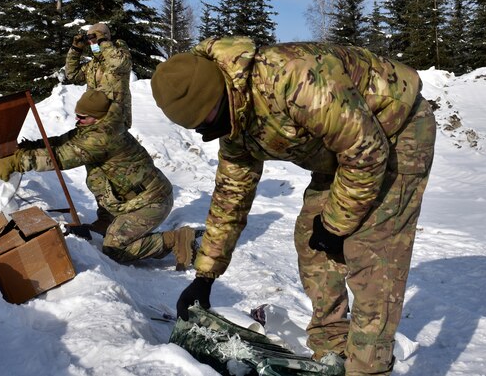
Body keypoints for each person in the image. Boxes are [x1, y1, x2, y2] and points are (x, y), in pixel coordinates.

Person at [150, 36, 436, 376]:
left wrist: (337, 225)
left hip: (396, 131)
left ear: (222, 90)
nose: (208, 129)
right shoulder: (231, 117)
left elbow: (366, 152)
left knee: (371, 253)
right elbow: (231, 195)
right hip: (344, 153)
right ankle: (332, 348)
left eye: (209, 116)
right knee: (311, 239)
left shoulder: (293, 78)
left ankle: (367, 368)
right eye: (199, 127)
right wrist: (206, 275)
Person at [0, 89, 196, 270]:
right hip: (130, 199)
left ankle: (174, 239)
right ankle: (107, 220)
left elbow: (62, 157)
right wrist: (30, 147)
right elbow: (64, 142)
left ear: (98, 117)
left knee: (115, 248)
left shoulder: (103, 137)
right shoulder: (95, 127)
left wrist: (17, 162)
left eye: (82, 117)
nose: (78, 121)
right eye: (77, 116)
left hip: (151, 201)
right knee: (97, 175)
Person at [65, 22, 132, 234]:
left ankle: (127, 216)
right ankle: (106, 217)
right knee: (96, 172)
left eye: (95, 39)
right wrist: (76, 49)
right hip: (94, 125)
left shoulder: (120, 54)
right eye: (90, 40)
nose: (92, 43)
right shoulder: (93, 65)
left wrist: (102, 41)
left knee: (116, 172)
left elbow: (119, 63)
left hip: (114, 125)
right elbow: (72, 74)